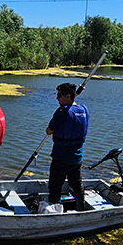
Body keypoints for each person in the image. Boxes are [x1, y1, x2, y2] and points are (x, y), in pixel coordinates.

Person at [45, 82, 89, 211]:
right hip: (77, 158)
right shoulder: (84, 109)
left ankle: (53, 212)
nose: (57, 98)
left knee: (55, 186)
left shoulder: (62, 112)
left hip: (61, 157)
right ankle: (81, 209)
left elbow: (49, 131)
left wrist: (57, 114)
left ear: (68, 96)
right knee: (77, 185)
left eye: (59, 95)